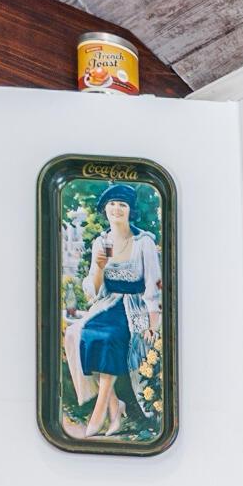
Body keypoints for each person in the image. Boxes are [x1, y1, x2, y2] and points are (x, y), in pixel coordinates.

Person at [62, 187, 163, 441]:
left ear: (130, 211)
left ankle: (99, 414)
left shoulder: (144, 242)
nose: (116, 210)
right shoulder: (101, 241)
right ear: (105, 209)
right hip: (107, 303)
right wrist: (98, 267)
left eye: (122, 205)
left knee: (108, 337)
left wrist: (152, 324)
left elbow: (154, 286)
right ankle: (113, 406)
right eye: (112, 204)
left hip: (135, 306)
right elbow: (93, 291)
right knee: (79, 332)